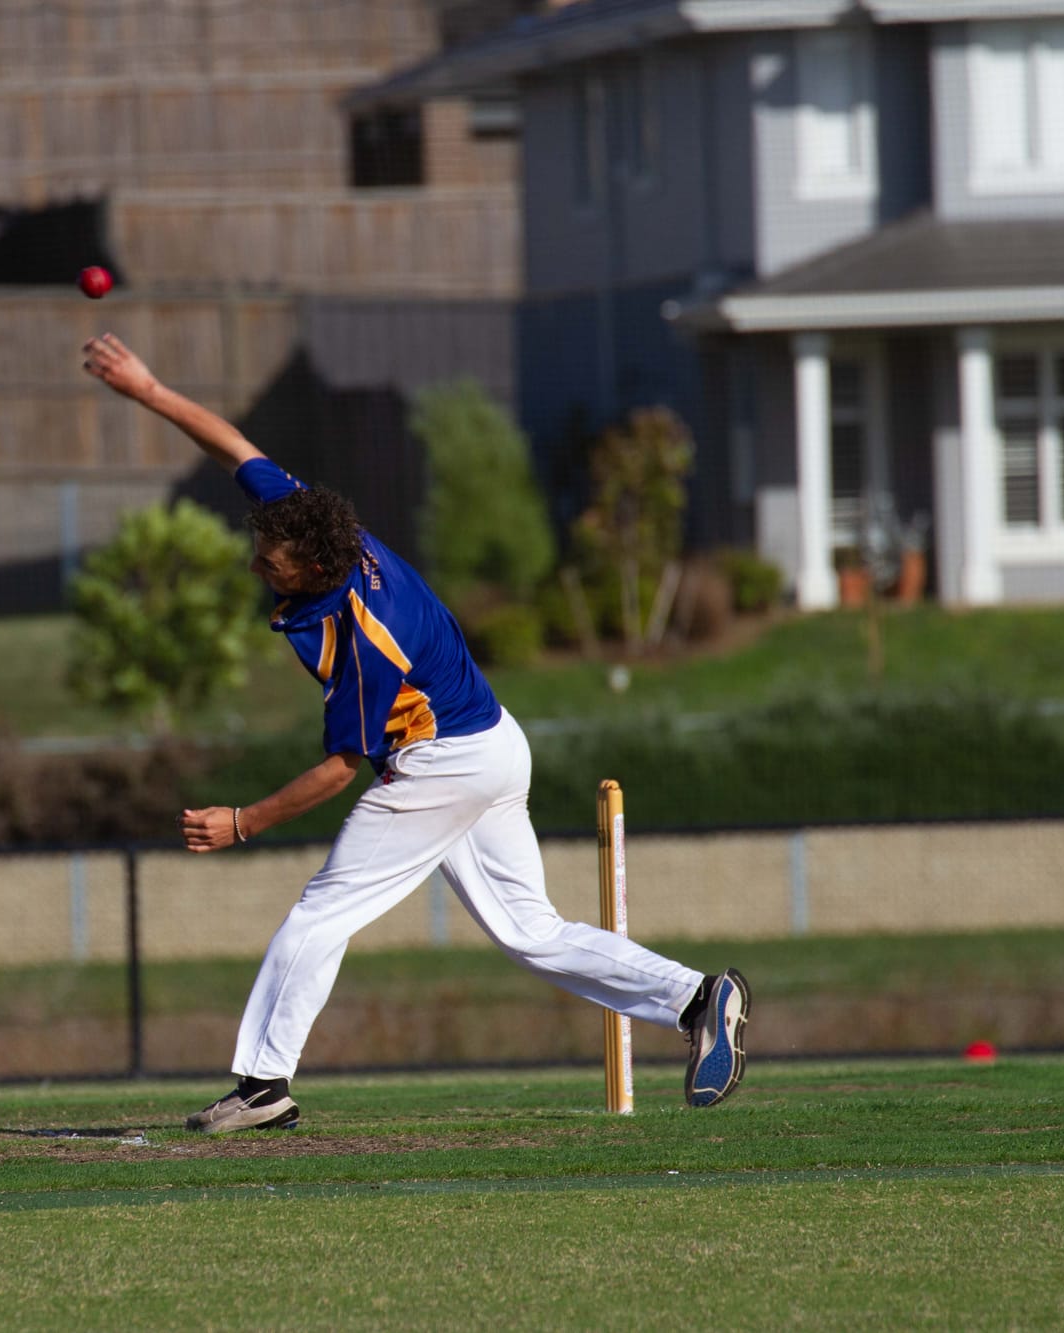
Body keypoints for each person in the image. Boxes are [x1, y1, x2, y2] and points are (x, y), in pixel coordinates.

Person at [80, 334, 750, 1132]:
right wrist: (149, 389)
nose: (257, 561)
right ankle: (700, 997)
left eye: (271, 560)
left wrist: (243, 821)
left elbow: (339, 768)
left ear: (315, 569)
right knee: (533, 933)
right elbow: (237, 449)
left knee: (322, 911)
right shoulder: (318, 527)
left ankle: (261, 1085)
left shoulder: (365, 633)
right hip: (495, 745)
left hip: (443, 767)